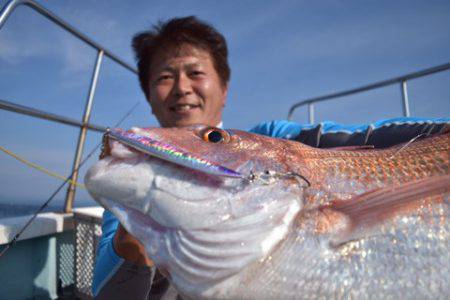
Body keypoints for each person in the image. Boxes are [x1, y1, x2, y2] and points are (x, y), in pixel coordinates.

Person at [92, 16, 449, 299]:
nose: (182, 88)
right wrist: (137, 229)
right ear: (149, 95)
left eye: (195, 72)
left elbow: (379, 137)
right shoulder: (130, 183)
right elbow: (106, 293)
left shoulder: (276, 138)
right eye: (164, 77)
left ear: (224, 88)